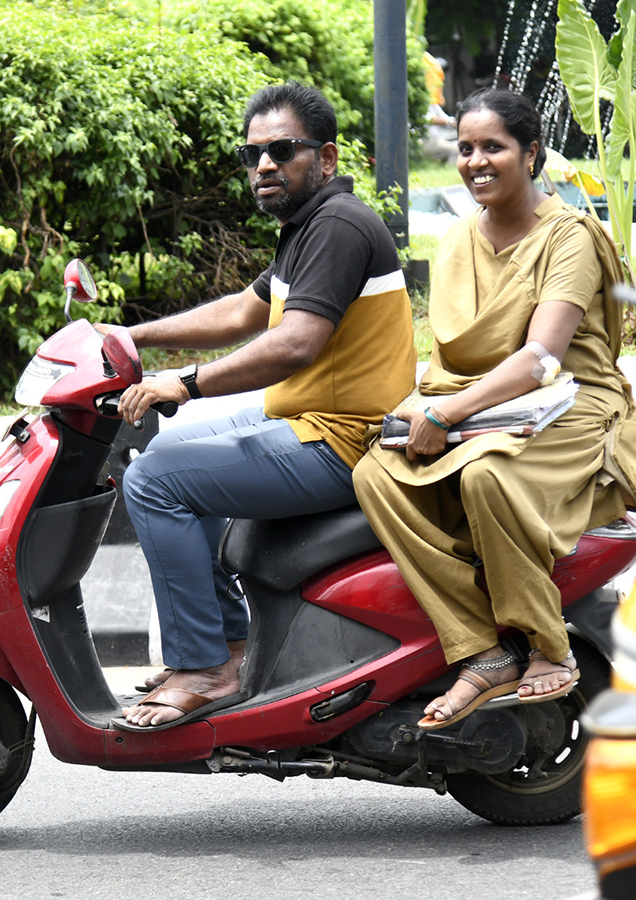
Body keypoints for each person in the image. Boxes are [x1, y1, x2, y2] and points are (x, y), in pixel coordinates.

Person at [107, 82, 417, 730]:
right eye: (253, 156)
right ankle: (230, 646)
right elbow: (244, 312)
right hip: (305, 419)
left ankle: (205, 666)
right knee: (164, 454)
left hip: (344, 441)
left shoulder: (335, 227)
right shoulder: (309, 226)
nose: (264, 166)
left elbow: (296, 342)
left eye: (282, 150)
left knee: (154, 480)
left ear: (325, 158)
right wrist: (133, 335)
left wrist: (185, 385)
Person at [352, 88, 636, 731]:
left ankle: (548, 644)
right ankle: (482, 650)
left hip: (570, 401)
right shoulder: (460, 236)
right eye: (465, 149)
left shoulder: (569, 236)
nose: (476, 161)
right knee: (373, 472)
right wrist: (424, 412)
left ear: (532, 154)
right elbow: (452, 355)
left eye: (494, 147)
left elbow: (542, 359)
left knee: (486, 474)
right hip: (477, 403)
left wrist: (449, 415)